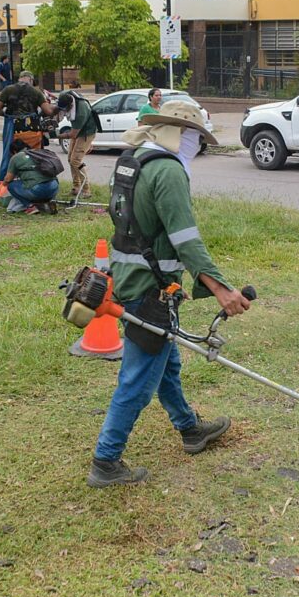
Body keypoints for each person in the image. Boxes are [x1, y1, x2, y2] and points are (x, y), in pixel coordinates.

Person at [86, 100, 250, 488]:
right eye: (195, 137)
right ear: (178, 134)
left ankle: (190, 428)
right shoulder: (168, 171)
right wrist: (221, 288)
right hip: (151, 288)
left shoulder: (132, 161)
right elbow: (185, 238)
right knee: (139, 378)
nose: (197, 145)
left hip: (130, 278)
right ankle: (105, 461)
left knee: (166, 361)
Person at [0, 70, 53, 183]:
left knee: (9, 156)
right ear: (31, 80)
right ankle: (36, 181)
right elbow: (48, 111)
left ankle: (4, 185)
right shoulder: (36, 91)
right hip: (33, 130)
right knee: (35, 157)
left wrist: (7, 115)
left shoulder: (8, 89)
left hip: (13, 129)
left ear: (19, 78)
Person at [56, 90, 98, 198]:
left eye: (65, 110)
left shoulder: (80, 112)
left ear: (70, 105)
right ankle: (76, 187)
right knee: (70, 159)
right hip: (78, 131)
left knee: (75, 160)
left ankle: (86, 190)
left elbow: (73, 134)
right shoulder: (64, 96)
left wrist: (56, 135)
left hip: (86, 133)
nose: (64, 112)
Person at [3, 140, 60, 215]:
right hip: (54, 188)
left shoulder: (16, 157)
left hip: (38, 190)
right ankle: (48, 202)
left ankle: (30, 207)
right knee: (41, 184)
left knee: (11, 186)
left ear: (14, 151)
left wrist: (3, 184)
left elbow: (8, 179)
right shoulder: (39, 152)